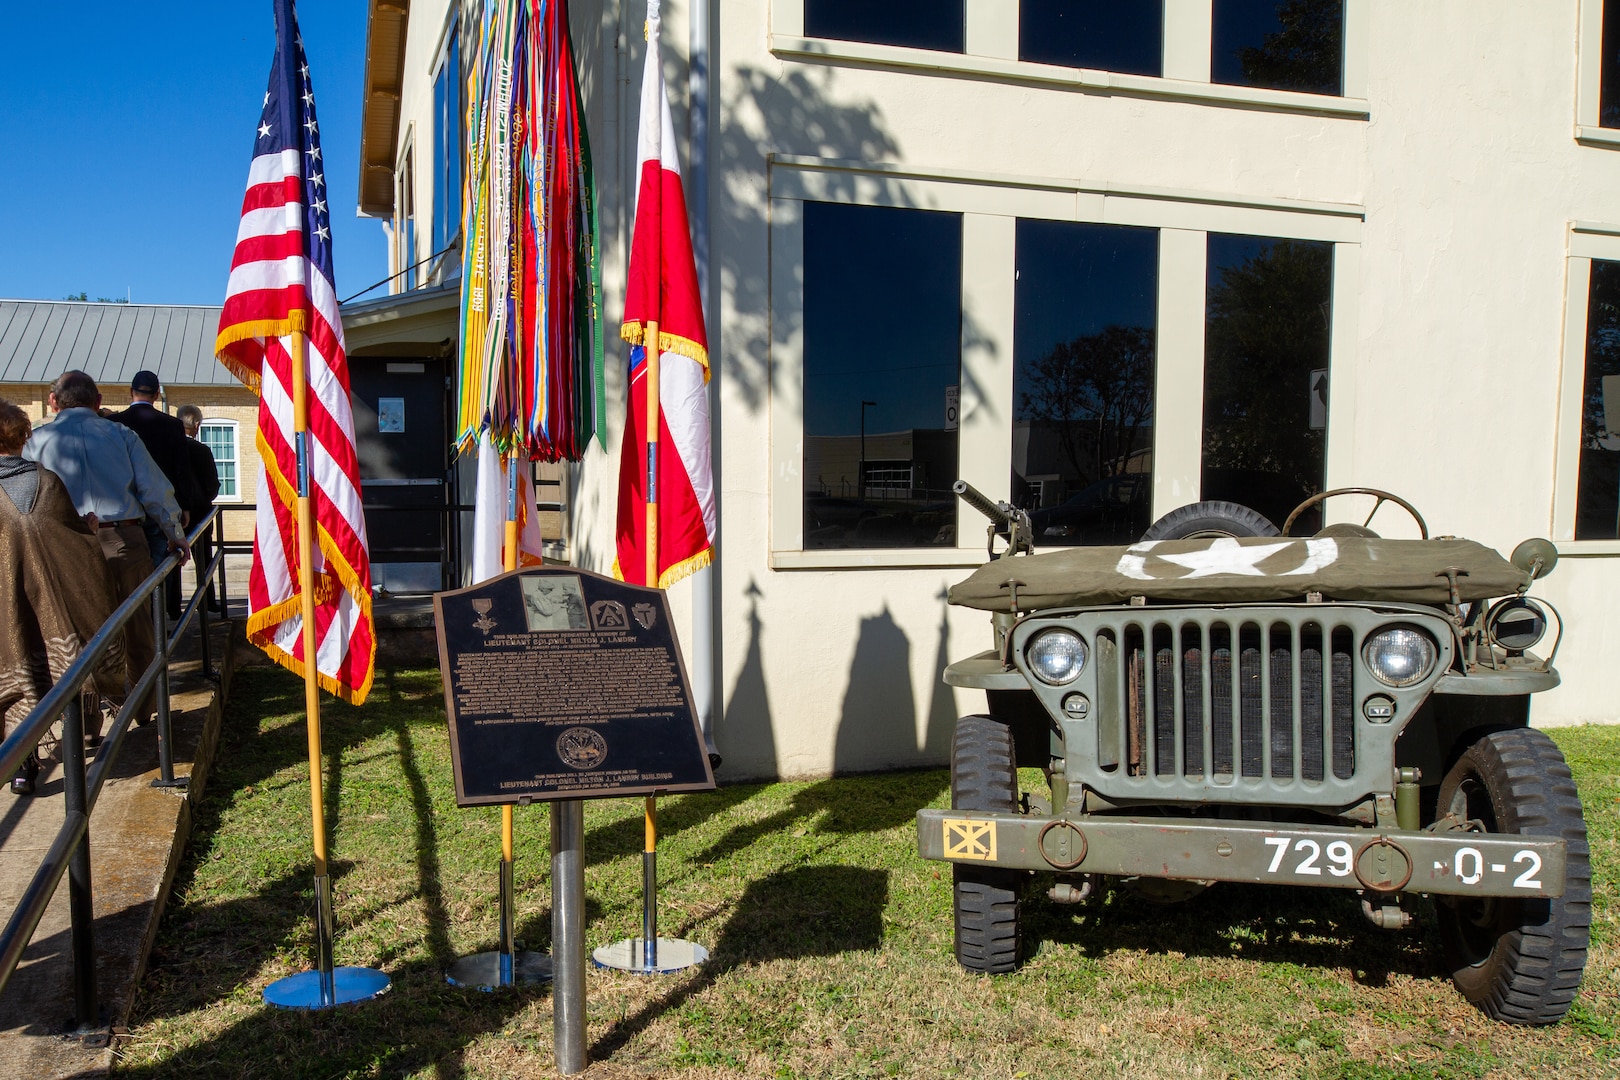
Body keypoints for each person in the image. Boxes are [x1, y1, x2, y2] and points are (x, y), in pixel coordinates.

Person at [25, 371, 190, 727]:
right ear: (98, 401)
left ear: (54, 402)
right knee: (137, 626)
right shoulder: (121, 435)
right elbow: (153, 489)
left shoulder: (36, 442)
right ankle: (143, 707)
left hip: (64, 543)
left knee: (75, 630)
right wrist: (175, 533)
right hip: (123, 539)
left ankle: (85, 721)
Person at [0, 401, 125, 795]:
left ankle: (22, 766)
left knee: (18, 673)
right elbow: (74, 541)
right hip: (49, 599)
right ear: (22, 437)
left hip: (7, 606)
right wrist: (88, 530)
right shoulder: (47, 481)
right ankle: (77, 739)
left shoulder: (47, 480)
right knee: (60, 664)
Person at [111, 370, 198, 619]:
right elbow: (182, 469)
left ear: (131, 392)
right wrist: (184, 505)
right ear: (157, 394)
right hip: (160, 504)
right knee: (161, 567)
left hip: (125, 507)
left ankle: (135, 620)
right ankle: (158, 619)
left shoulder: (116, 424)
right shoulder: (172, 425)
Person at [176, 405, 222, 612]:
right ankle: (207, 600)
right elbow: (213, 484)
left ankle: (173, 605)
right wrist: (205, 499)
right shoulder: (202, 450)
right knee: (204, 559)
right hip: (201, 512)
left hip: (175, 512)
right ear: (196, 425)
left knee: (173, 560)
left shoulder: (170, 449)